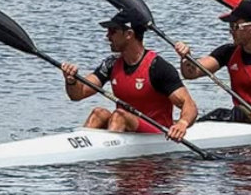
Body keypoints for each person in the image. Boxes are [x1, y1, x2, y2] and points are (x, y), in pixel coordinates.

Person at [59, 10, 197, 141]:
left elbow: (189, 105)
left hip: (156, 133)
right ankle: (82, 154)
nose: (107, 36)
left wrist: (182, 123)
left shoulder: (157, 67)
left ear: (129, 34)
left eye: (113, 31)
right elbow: (78, 94)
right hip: (125, 127)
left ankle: (109, 160)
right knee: (98, 113)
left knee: (119, 115)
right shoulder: (111, 64)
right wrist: (71, 81)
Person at [174, 0, 251, 123]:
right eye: (230, 27)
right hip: (245, 114)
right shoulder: (228, 52)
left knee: (229, 113)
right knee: (222, 113)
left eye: (235, 27)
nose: (231, 32)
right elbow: (192, 73)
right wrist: (186, 58)